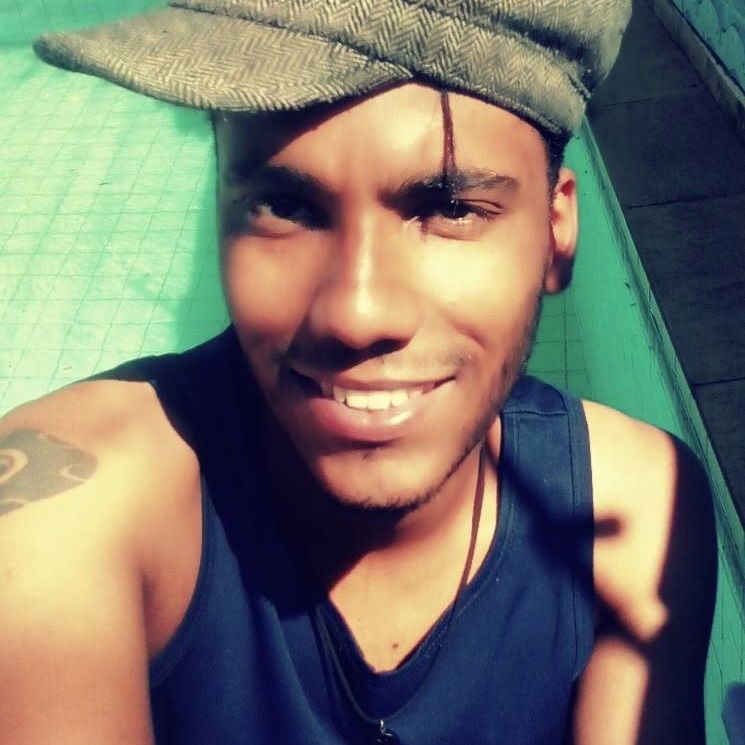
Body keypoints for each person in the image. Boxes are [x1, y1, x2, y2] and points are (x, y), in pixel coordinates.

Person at [0, 1, 717, 743]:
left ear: (555, 233)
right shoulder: (68, 504)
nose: (356, 312)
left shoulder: (633, 510)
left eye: (450, 208)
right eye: (284, 205)